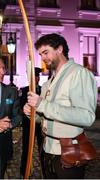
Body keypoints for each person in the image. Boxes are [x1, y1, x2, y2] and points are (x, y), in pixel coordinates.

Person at [23, 33, 97, 179]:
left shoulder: (78, 74)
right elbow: (44, 118)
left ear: (60, 49)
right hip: (48, 150)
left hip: (69, 152)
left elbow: (86, 117)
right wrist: (33, 114)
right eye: (40, 54)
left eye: (46, 52)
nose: (43, 58)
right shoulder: (48, 83)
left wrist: (42, 104)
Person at [20, 67, 44, 177]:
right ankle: (24, 172)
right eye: (34, 76)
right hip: (28, 125)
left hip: (41, 125)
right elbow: (20, 107)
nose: (37, 78)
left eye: (38, 76)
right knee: (26, 149)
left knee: (43, 149)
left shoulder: (44, 89)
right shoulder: (24, 90)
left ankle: (45, 171)